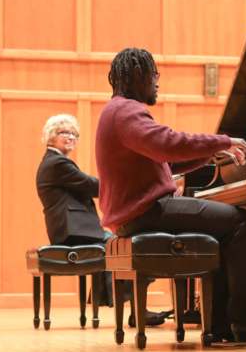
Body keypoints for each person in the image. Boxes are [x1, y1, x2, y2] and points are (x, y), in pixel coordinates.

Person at [95, 48, 246, 342]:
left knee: (225, 231)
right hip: (147, 211)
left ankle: (219, 323)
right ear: (138, 75)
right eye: (154, 74)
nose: (157, 82)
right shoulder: (127, 111)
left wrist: (211, 153)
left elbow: (164, 159)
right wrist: (222, 141)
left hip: (136, 213)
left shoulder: (116, 111)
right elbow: (167, 143)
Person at [35, 114, 166, 325]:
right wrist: (130, 184)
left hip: (74, 229)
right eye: (64, 132)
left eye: (73, 133)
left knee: (124, 245)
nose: (70, 137)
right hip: (73, 231)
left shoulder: (55, 162)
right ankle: (136, 311)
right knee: (126, 247)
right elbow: (94, 185)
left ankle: (135, 310)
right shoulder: (57, 163)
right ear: (51, 136)